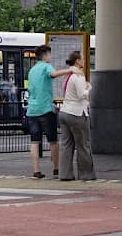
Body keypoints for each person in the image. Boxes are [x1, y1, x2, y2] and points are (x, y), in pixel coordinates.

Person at [26, 45, 74, 179]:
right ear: (45, 55)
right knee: (53, 140)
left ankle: (36, 171)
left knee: (34, 142)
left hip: (32, 110)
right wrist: (69, 70)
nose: (50, 57)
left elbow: (35, 90)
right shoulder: (46, 66)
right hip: (45, 109)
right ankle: (56, 168)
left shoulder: (32, 70)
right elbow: (53, 74)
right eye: (49, 54)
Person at [57, 50, 95, 181]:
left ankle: (65, 174)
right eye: (83, 59)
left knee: (66, 145)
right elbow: (81, 95)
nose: (84, 61)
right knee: (83, 144)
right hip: (77, 113)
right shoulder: (78, 75)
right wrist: (88, 88)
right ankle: (86, 174)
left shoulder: (67, 75)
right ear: (77, 61)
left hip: (64, 111)